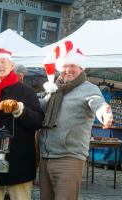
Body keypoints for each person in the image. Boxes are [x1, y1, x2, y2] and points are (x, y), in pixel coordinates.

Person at [39, 41, 113, 200]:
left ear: (81, 68)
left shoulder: (89, 88)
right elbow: (39, 108)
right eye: (65, 65)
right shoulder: (54, 89)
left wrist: (104, 113)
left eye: (73, 65)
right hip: (46, 157)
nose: (68, 69)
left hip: (69, 158)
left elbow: (98, 103)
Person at [0, 48, 44, 200]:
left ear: (12, 65)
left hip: (18, 160)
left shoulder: (26, 91)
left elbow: (38, 121)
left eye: (3, 61)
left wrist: (20, 110)